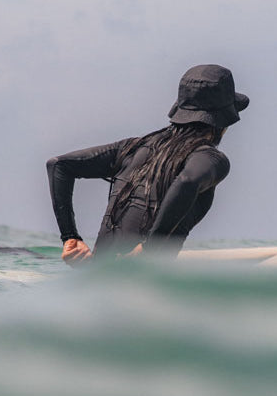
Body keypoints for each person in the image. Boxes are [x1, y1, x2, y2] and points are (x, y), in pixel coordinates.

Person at [46, 64, 248, 264]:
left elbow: (58, 165)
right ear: (224, 120)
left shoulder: (131, 148)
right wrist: (152, 247)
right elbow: (187, 181)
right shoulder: (211, 158)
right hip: (144, 278)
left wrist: (70, 238)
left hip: (96, 273)